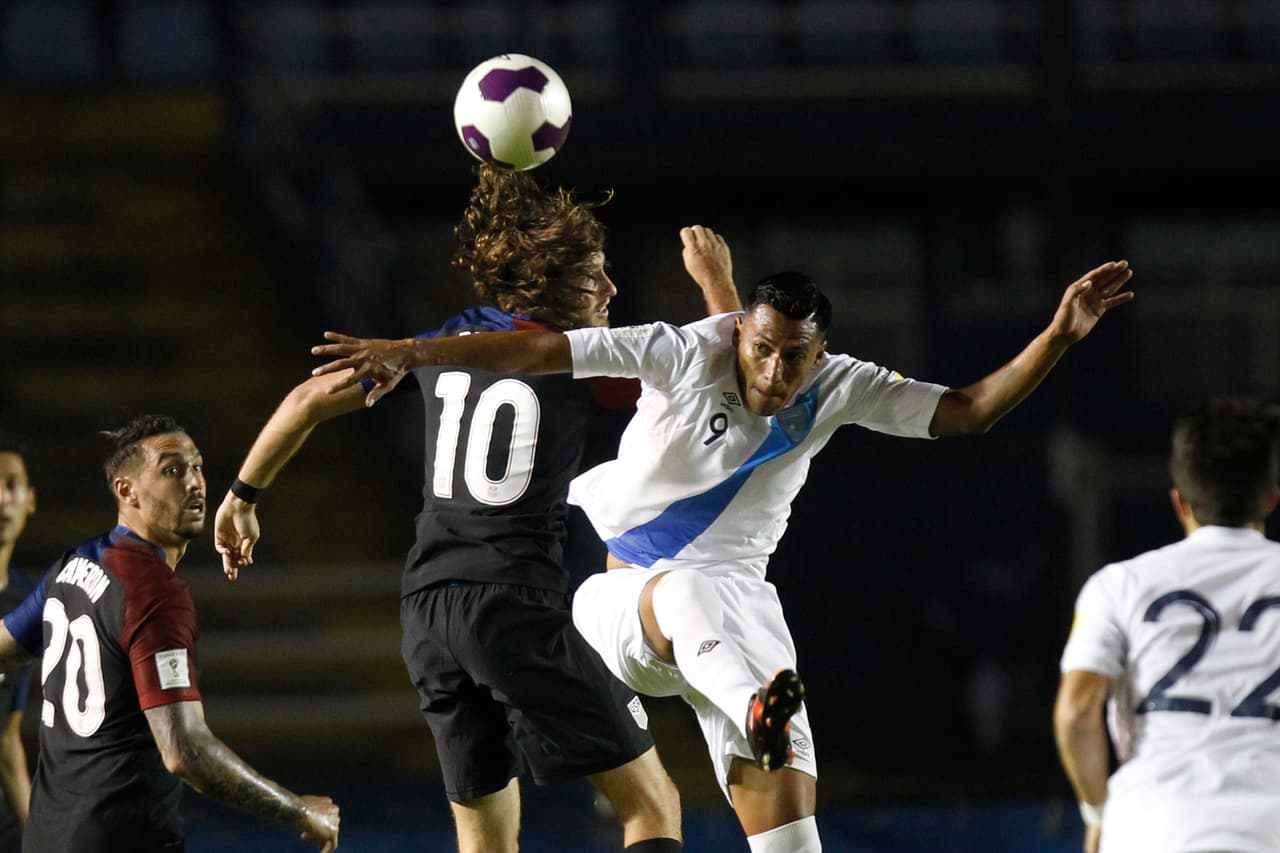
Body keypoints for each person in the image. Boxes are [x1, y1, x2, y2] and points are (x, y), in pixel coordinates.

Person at [311, 258, 1135, 852]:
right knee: (686, 593)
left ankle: (752, 713)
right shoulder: (679, 348)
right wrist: (413, 350)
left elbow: (967, 410)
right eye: (762, 348)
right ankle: (750, 709)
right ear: (739, 330)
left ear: (821, 351)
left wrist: (1059, 334)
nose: (776, 372)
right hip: (621, 607)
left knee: (790, 841)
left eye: (796, 356)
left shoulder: (839, 383)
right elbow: (535, 352)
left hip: (740, 620)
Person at [213, 164, 741, 853]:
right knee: (652, 804)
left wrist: (242, 494)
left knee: (484, 837)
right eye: (595, 274)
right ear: (551, 287)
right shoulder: (580, 359)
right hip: (512, 603)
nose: (611, 289)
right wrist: (714, 280)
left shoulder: (445, 341)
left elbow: (308, 399)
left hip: (428, 610)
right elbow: (735, 366)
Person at [0, 415, 340, 853]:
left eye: (197, 467)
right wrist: (298, 810)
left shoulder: (74, 563)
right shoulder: (154, 591)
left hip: (46, 839)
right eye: (172, 471)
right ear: (126, 491)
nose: (195, 483)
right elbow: (186, 752)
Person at [1055, 396, 1280, 853]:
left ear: (1180, 502)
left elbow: (1077, 713)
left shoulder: (1120, 585)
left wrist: (1099, 813)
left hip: (1155, 826)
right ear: (1271, 497)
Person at [0, 433, 36, 850]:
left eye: (11, 484)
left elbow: (6, 736)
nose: (2, 498)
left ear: (30, 499)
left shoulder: (26, 603)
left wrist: (35, 835)